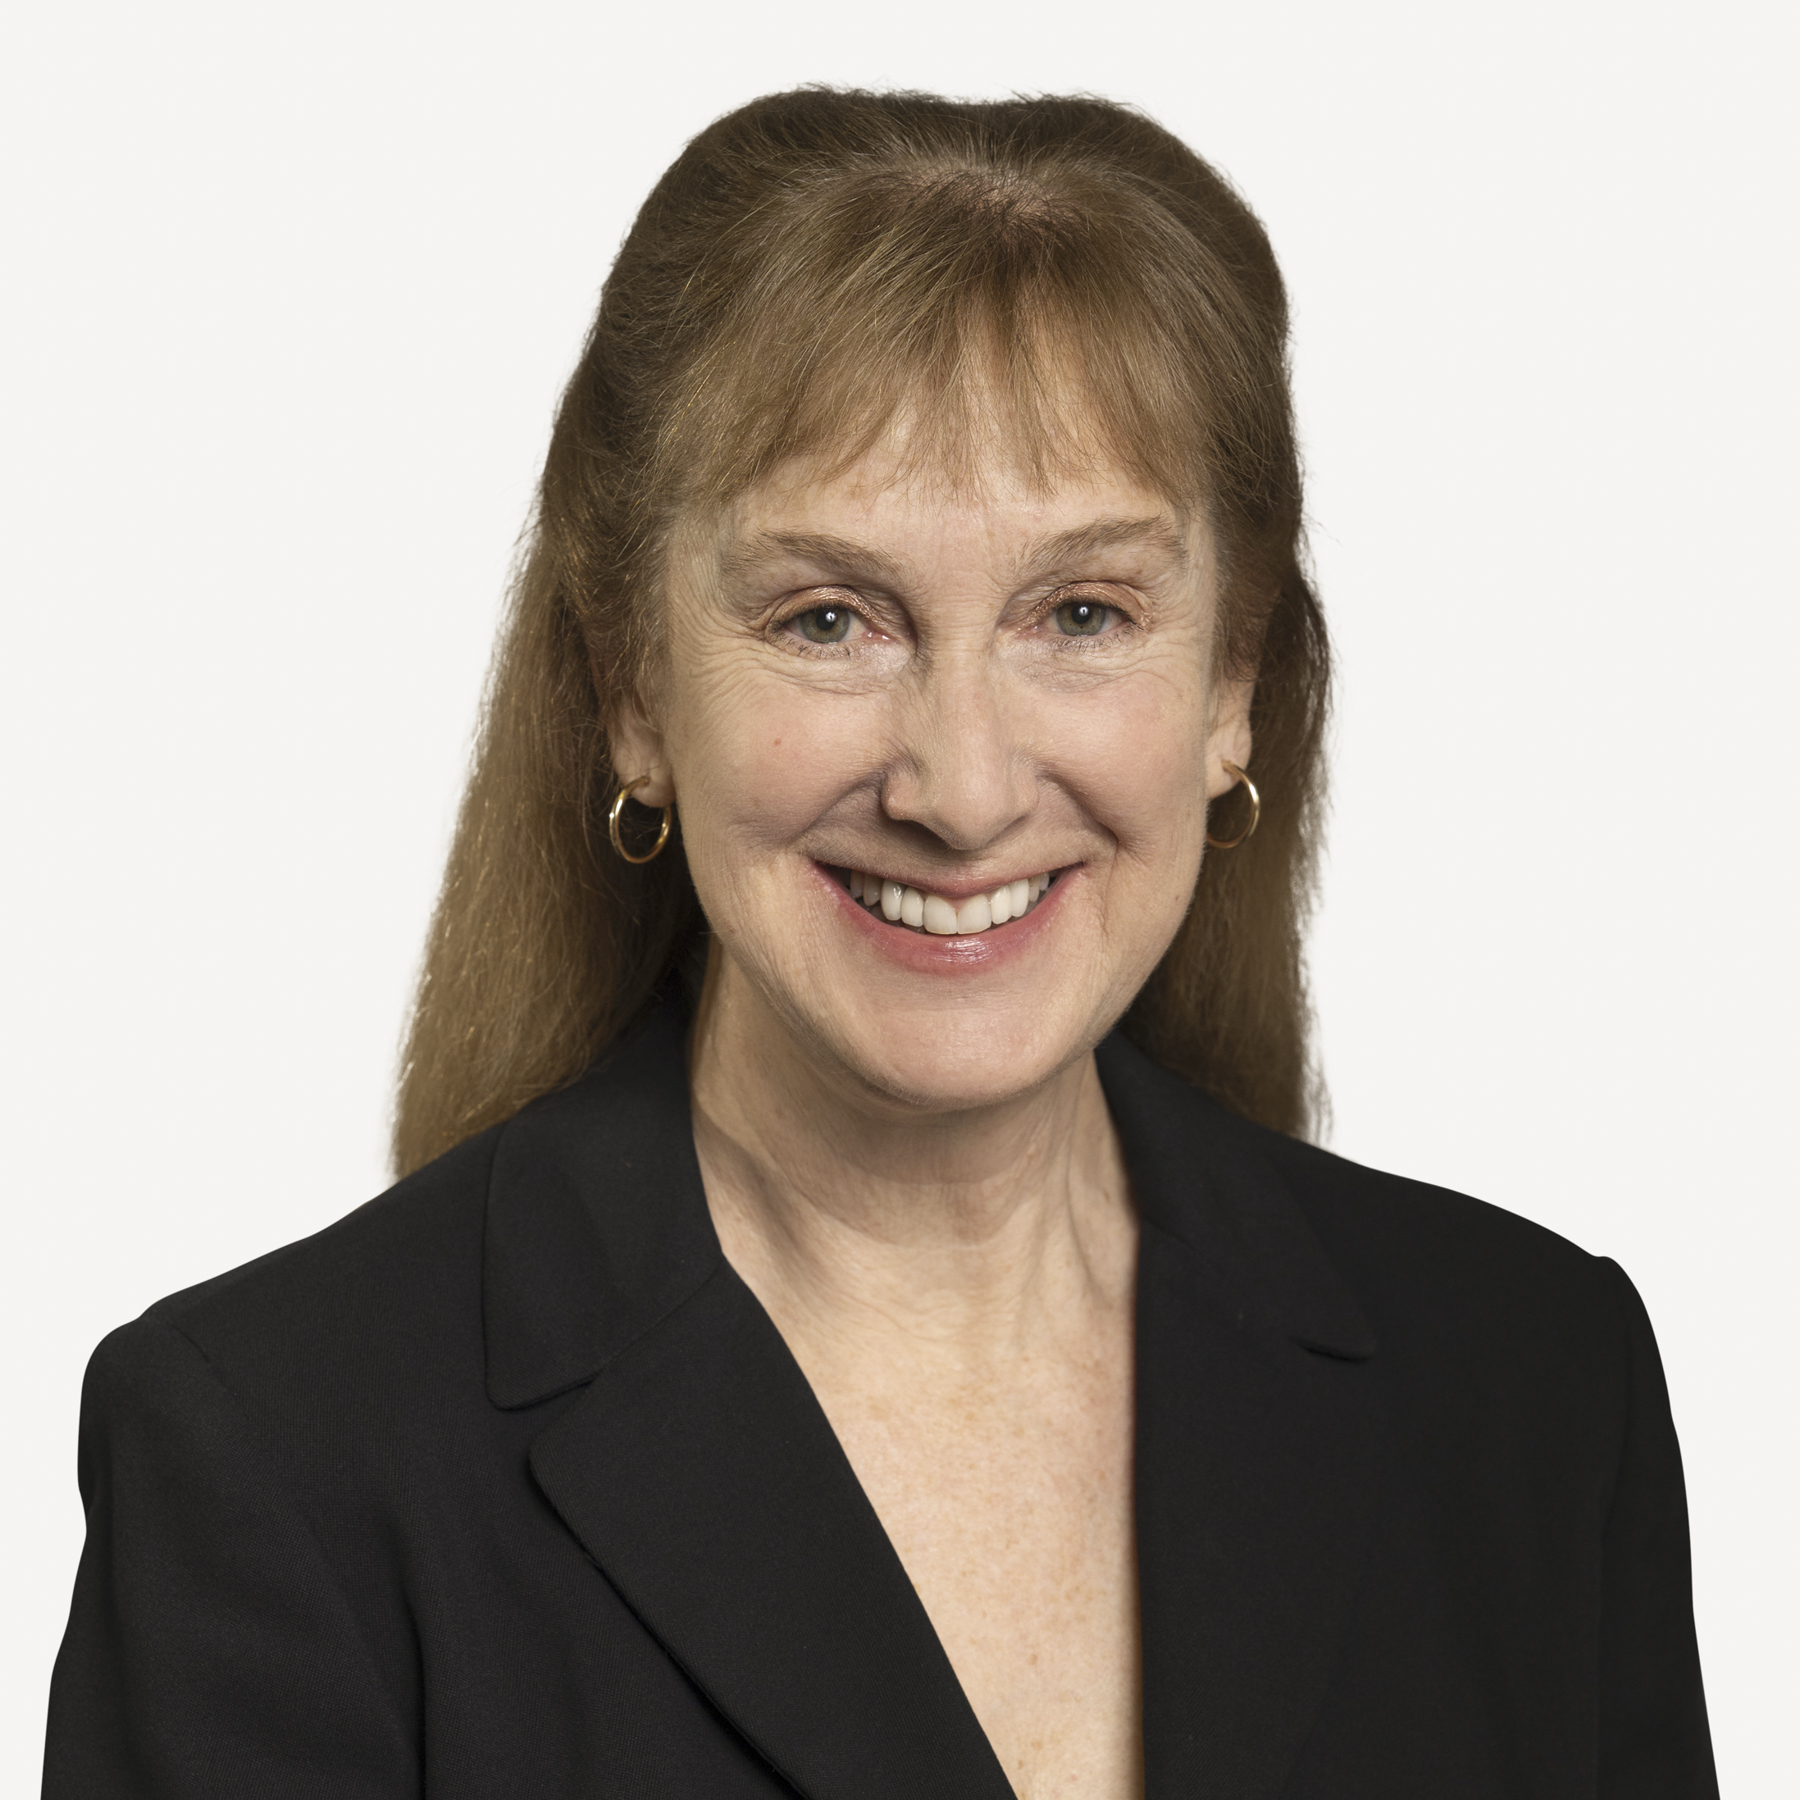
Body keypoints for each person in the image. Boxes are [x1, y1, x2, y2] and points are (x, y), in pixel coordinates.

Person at [42, 88, 1715, 1799]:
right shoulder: (273, 1461)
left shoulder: (1532, 1388)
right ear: (632, 688)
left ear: (1234, 685)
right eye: (829, 618)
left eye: (1083, 612)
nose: (964, 790)